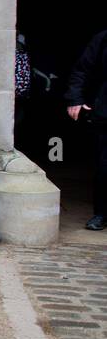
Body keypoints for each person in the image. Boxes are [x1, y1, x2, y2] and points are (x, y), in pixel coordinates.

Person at [66, 28, 107, 230]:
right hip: (105, 112)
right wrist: (75, 98)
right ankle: (102, 213)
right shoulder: (103, 38)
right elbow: (82, 69)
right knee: (104, 166)